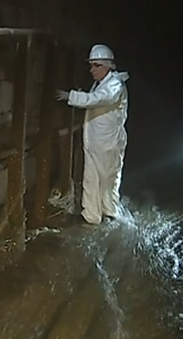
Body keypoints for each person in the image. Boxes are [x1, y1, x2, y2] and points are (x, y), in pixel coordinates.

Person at [55, 44, 130, 225]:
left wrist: (71, 96)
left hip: (108, 144)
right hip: (95, 141)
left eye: (96, 65)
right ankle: (91, 216)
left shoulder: (115, 85)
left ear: (108, 66)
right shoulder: (101, 84)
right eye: (91, 65)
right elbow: (96, 99)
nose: (92, 70)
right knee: (91, 179)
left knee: (107, 180)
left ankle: (110, 215)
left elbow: (99, 98)